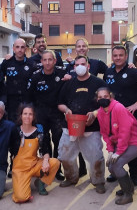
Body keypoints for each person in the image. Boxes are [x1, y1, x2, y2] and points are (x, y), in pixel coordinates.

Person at [103, 45, 137, 185]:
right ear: (112, 57)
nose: (118, 58)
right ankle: (116, 171)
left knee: (131, 144)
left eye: (121, 55)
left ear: (125, 57)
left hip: (130, 116)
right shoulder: (108, 72)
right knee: (115, 142)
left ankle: (134, 175)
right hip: (113, 116)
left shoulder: (133, 72)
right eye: (115, 55)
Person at [57, 55, 107, 194]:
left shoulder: (98, 83)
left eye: (83, 64)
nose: (80, 66)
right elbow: (60, 103)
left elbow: (106, 104)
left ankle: (98, 181)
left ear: (88, 66)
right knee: (65, 155)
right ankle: (71, 177)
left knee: (96, 157)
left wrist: (95, 114)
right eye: (77, 64)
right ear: (74, 67)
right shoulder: (69, 84)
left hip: (91, 128)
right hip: (70, 126)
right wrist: (66, 110)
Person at [65, 38, 108, 177]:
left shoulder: (97, 65)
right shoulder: (69, 67)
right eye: (79, 46)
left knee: (94, 154)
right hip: (74, 121)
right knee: (69, 151)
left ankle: (97, 179)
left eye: (84, 46)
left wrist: (96, 112)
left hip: (92, 122)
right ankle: (78, 173)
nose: (81, 48)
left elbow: (112, 72)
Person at [95, 87, 137, 205]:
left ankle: (128, 195)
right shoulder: (101, 112)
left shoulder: (118, 108)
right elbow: (105, 133)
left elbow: (125, 131)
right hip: (121, 142)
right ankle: (129, 187)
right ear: (97, 99)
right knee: (111, 167)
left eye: (105, 97)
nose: (103, 99)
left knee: (116, 165)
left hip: (135, 142)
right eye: (100, 97)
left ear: (111, 97)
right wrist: (111, 150)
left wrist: (119, 152)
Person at [27, 50, 69, 180]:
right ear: (41, 62)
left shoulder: (62, 73)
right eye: (44, 60)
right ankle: (46, 165)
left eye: (50, 59)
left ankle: (57, 168)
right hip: (40, 115)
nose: (47, 62)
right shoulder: (35, 76)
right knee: (43, 139)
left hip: (57, 115)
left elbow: (78, 73)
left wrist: (70, 78)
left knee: (58, 140)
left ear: (55, 61)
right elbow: (29, 97)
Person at [12, 104, 60, 203]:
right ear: (21, 115)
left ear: (34, 116)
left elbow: (45, 150)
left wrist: (46, 161)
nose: (27, 116)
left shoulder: (39, 131)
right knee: (21, 197)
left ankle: (40, 182)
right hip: (20, 169)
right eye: (25, 114)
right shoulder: (14, 130)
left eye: (30, 114)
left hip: (34, 164)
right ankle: (22, 183)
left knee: (55, 162)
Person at [0, 38, 37, 122]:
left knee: (26, 124)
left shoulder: (31, 64)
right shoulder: (7, 63)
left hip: (27, 100)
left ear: (26, 49)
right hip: (11, 102)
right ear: (13, 48)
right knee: (12, 127)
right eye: (17, 47)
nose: (20, 50)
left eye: (22, 47)